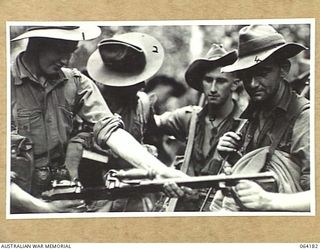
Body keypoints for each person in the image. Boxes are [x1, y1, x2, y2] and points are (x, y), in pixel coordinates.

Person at [10, 26, 186, 213]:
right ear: (37, 43)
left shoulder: (76, 84)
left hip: (60, 202)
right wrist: (45, 209)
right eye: (60, 50)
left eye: (71, 52)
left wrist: (162, 171)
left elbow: (111, 131)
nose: (65, 60)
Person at [214, 24, 310, 212]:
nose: (252, 83)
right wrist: (233, 157)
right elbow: (261, 171)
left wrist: (269, 201)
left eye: (263, 73)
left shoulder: (304, 118)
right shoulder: (254, 115)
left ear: (283, 69)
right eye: (246, 75)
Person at [78, 32, 164, 211]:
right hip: (93, 201)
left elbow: (154, 145)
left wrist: (149, 151)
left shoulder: (143, 104)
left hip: (135, 200)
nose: (142, 86)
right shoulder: (85, 106)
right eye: (134, 81)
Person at [155, 44, 245, 211]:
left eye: (221, 81)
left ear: (235, 84)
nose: (212, 89)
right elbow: (151, 123)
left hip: (222, 210)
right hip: (181, 209)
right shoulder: (189, 118)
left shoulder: (246, 123)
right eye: (208, 80)